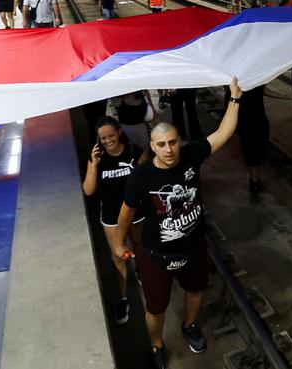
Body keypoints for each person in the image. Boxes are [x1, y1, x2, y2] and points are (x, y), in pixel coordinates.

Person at [113, 78, 243, 367]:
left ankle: (190, 326)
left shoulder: (190, 154)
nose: (169, 149)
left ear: (178, 141)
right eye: (162, 144)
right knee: (155, 308)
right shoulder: (141, 176)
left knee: (195, 291)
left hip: (194, 247)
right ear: (153, 146)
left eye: (173, 142)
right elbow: (126, 212)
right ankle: (158, 345)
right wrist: (119, 243)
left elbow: (223, 133)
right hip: (156, 256)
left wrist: (234, 98)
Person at [82, 116, 147, 325]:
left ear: (119, 132)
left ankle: (142, 272)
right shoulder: (97, 159)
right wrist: (93, 166)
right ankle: (122, 297)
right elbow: (89, 190)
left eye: (111, 135)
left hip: (136, 212)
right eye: (103, 138)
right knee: (118, 256)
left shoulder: (133, 151)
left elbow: (146, 178)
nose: (108, 140)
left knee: (140, 247)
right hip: (111, 217)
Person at [237, 84, 292, 205]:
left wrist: (284, 96)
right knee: (252, 152)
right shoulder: (239, 78)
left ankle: (254, 180)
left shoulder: (257, 75)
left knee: (256, 150)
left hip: (258, 118)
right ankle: (254, 184)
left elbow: (264, 90)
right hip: (246, 119)